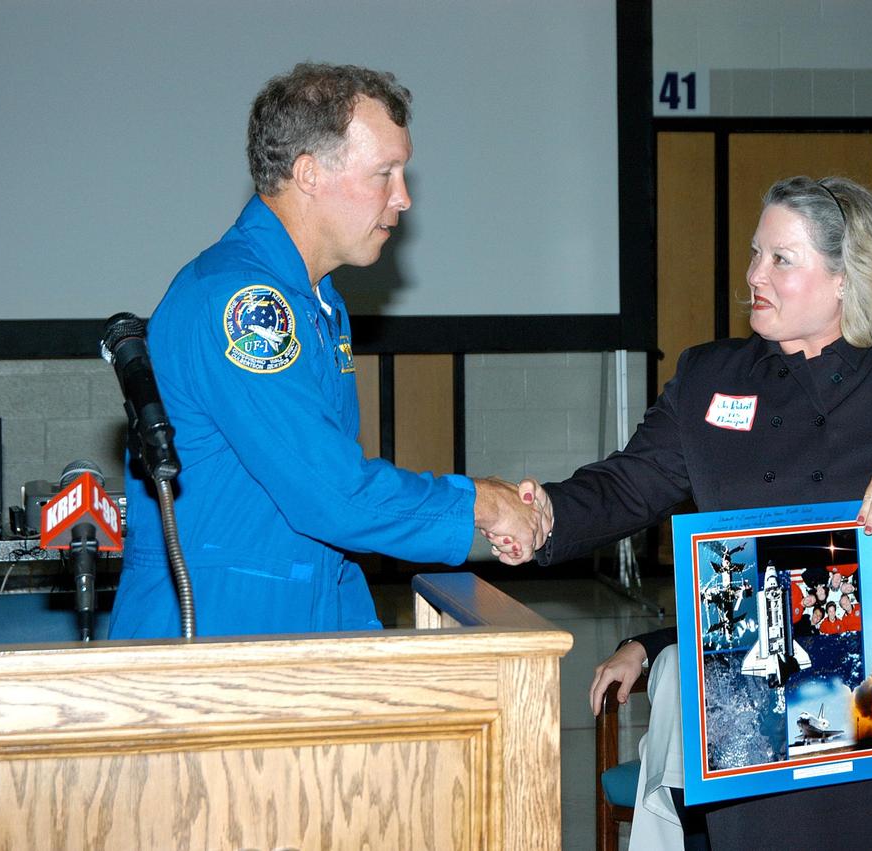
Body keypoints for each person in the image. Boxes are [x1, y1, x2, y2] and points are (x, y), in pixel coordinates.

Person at [492, 175, 872, 848]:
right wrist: (544, 514)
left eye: (781, 259)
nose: (754, 274)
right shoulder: (710, 378)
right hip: (753, 728)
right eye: (756, 253)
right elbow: (626, 484)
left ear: (847, 277)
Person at [111, 63, 546, 640]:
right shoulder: (243, 305)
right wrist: (478, 505)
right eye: (385, 173)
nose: (404, 198)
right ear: (309, 174)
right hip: (215, 642)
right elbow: (335, 498)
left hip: (288, 628)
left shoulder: (315, 301)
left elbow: (321, 538)